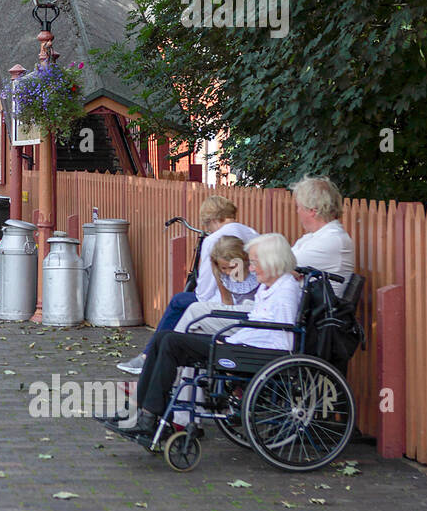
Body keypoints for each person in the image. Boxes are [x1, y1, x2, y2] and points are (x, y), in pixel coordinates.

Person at [114, 233, 302, 438]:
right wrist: (234, 339)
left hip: (251, 353)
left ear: (271, 261)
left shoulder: (285, 292)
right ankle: (141, 409)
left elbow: (279, 338)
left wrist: (233, 340)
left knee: (170, 342)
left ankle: (149, 416)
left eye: (255, 263)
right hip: (240, 345)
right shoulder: (270, 287)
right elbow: (259, 326)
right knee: (163, 338)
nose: (251, 268)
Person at [117, 195, 257, 374]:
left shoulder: (214, 241)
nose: (207, 229)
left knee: (180, 301)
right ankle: (149, 356)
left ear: (212, 220)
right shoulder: (251, 233)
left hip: (229, 305)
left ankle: (149, 357)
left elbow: (204, 292)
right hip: (250, 302)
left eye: (207, 225)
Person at [289, 175, 354, 296]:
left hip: (311, 312)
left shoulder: (332, 240)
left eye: (299, 207)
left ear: (312, 211)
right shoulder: (317, 237)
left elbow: (278, 267)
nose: (297, 211)